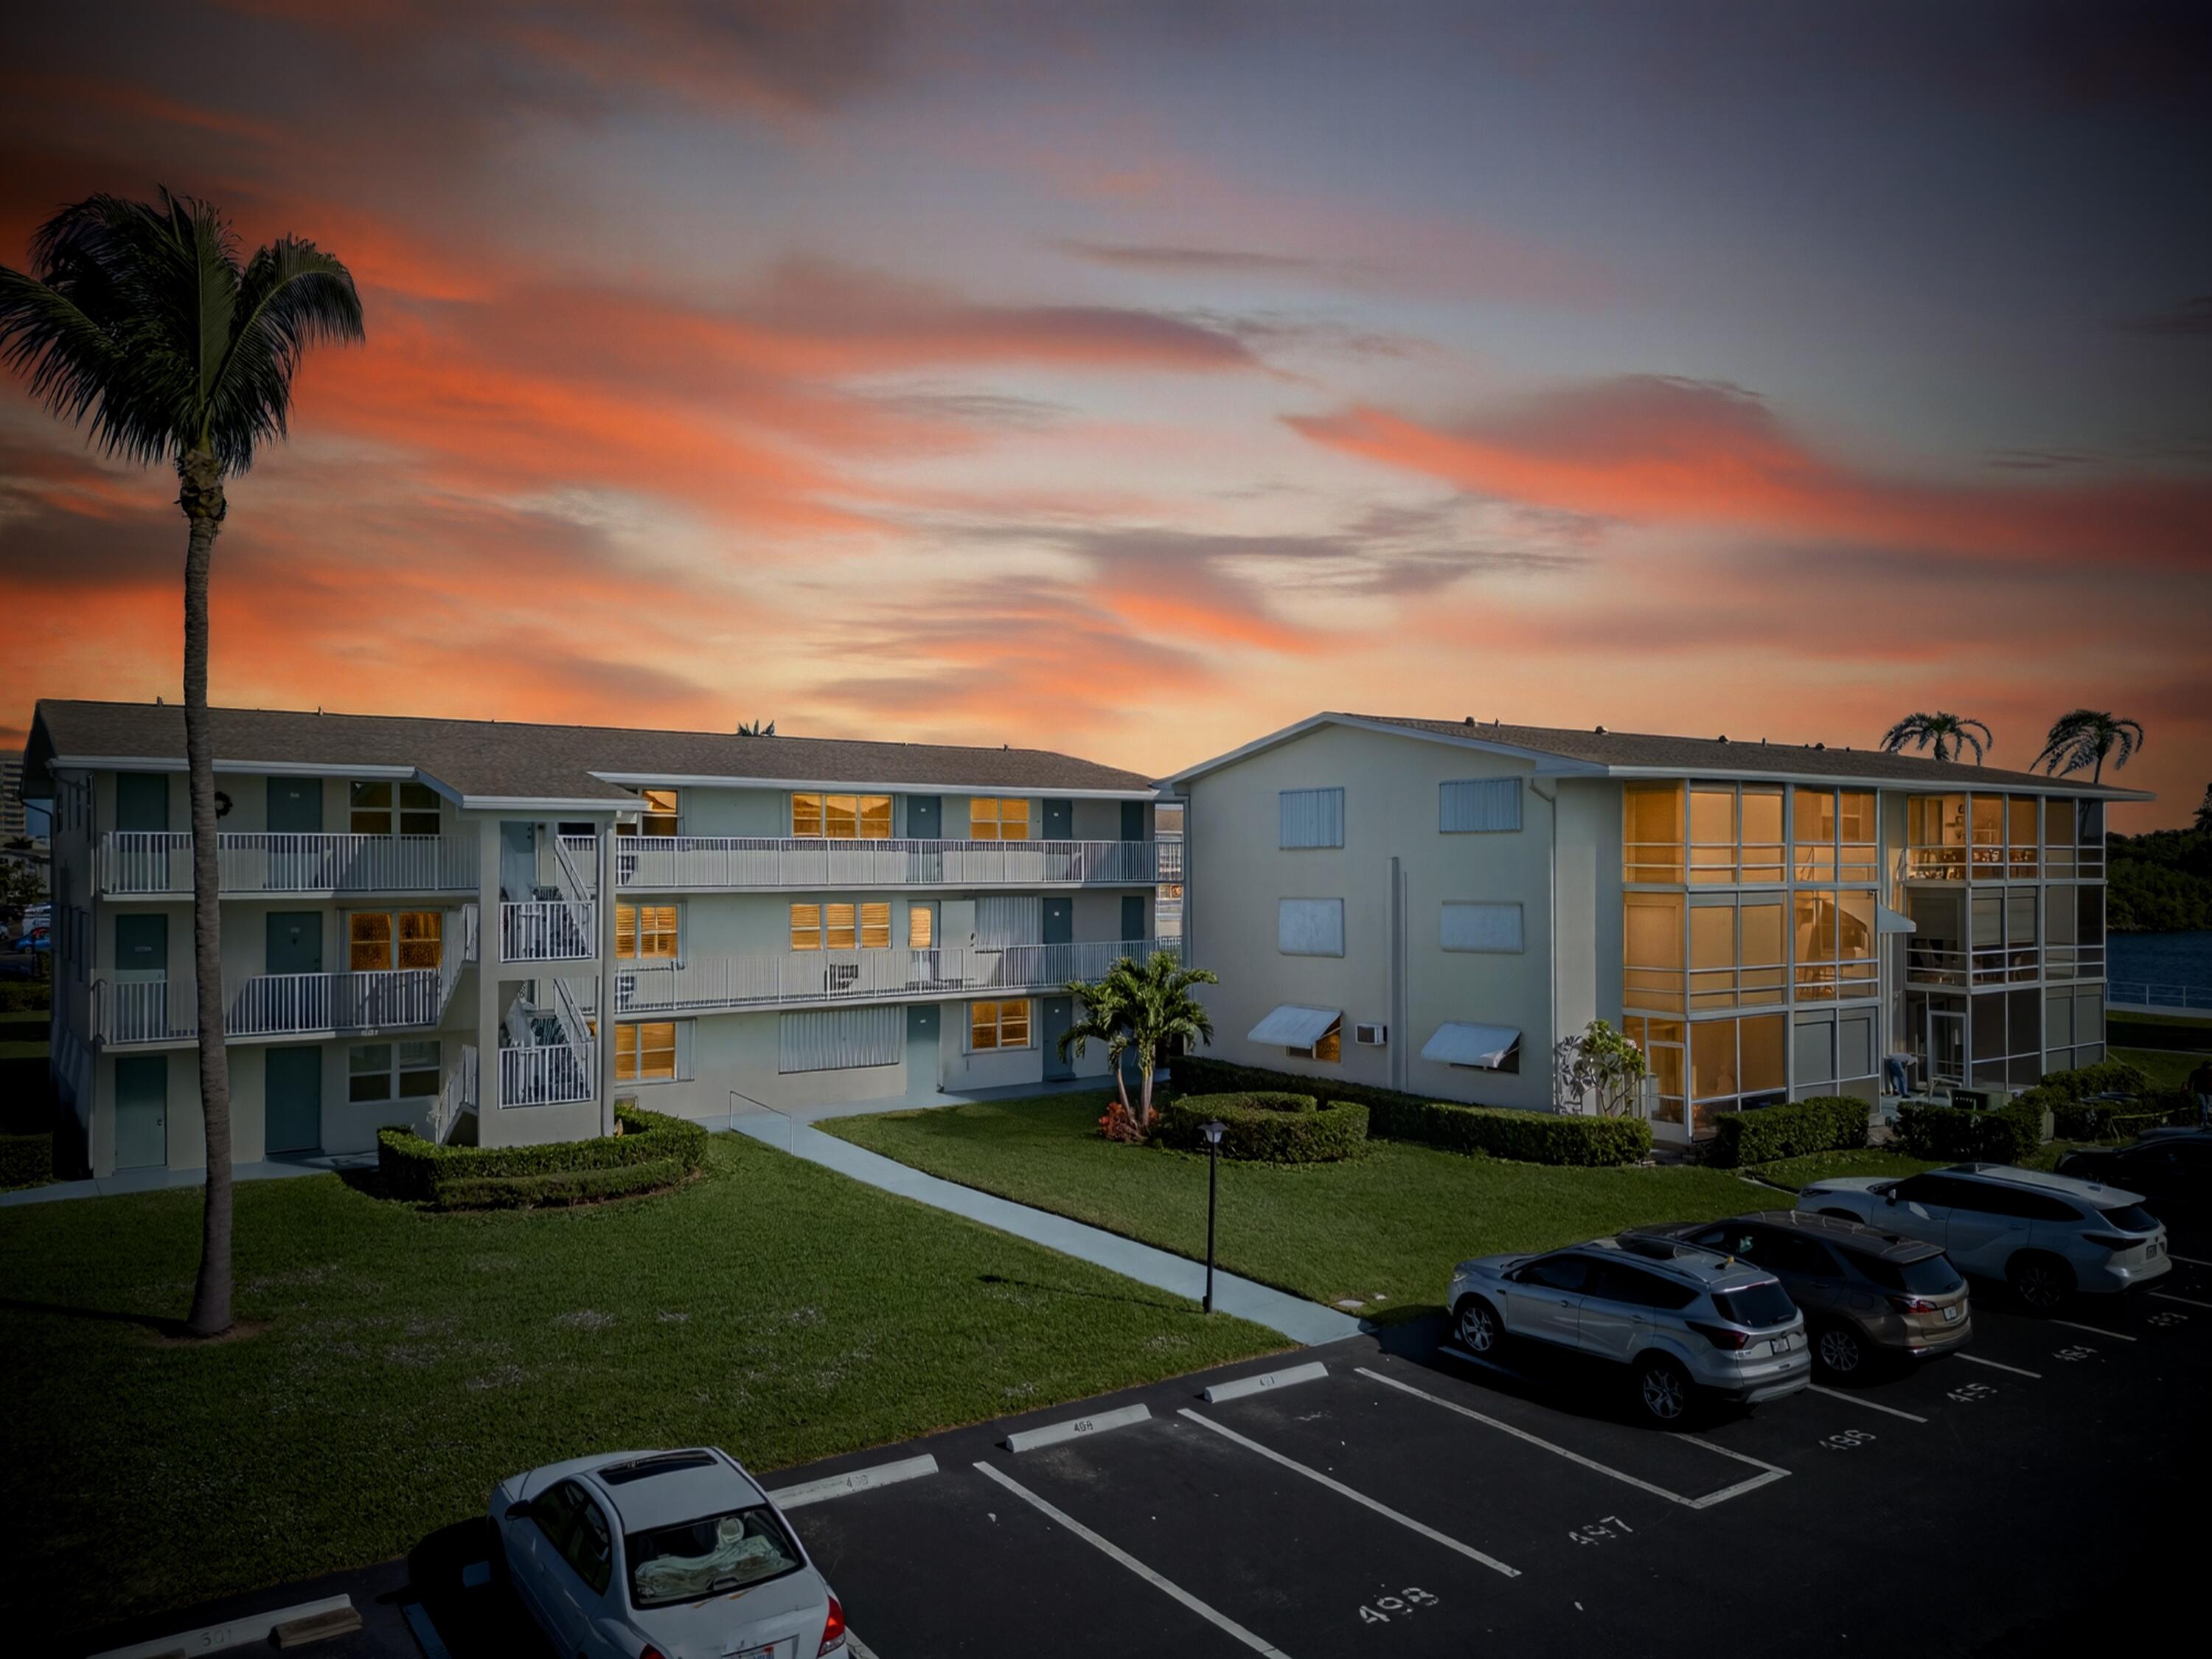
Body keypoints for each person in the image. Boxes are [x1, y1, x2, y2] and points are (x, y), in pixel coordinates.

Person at [2191, 1056, 2212, 1129]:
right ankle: (2205, 1121)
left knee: (2208, 1106)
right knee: (2204, 1105)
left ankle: (2207, 1120)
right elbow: (2191, 1079)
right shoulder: (2198, 1072)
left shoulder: (2209, 1073)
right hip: (2201, 1091)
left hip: (2208, 1092)